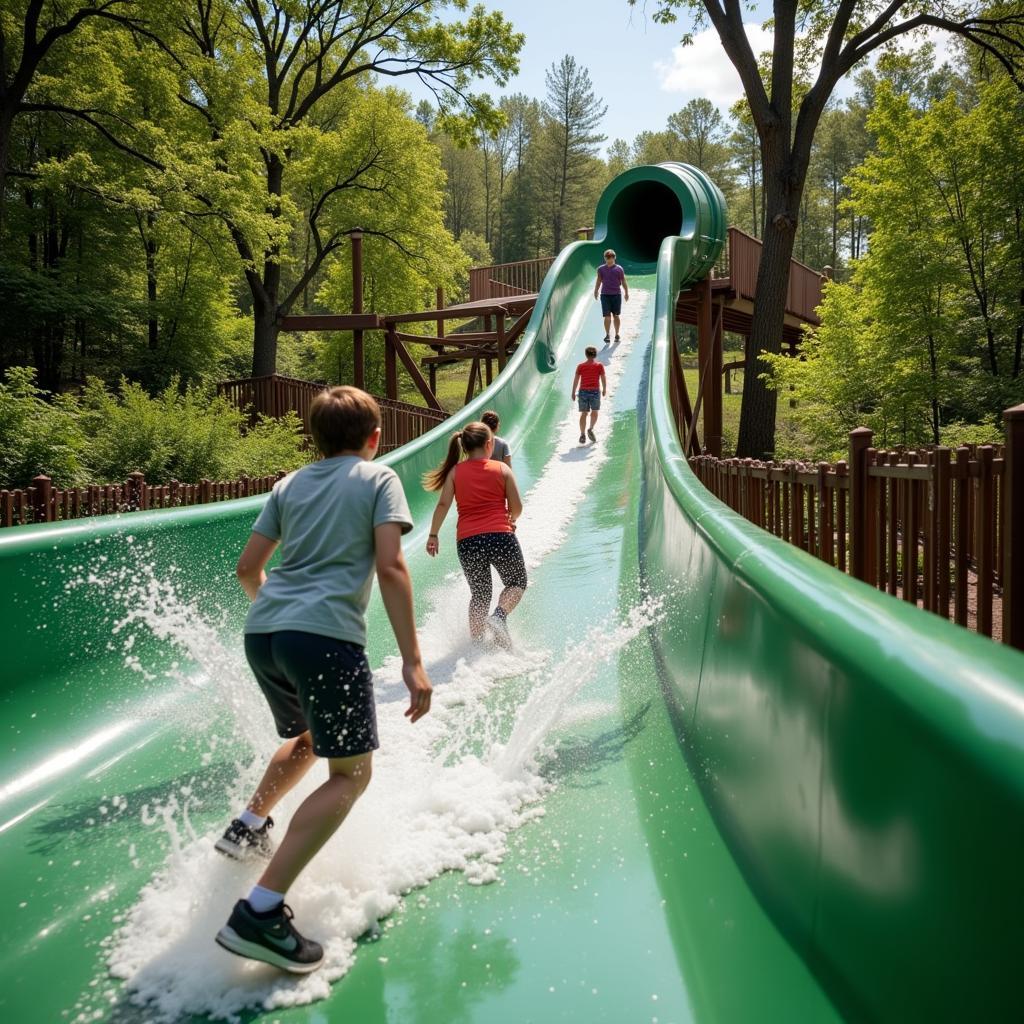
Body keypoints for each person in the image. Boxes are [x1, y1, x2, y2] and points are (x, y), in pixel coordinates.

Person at [214, 386, 432, 974]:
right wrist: (412, 660)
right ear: (374, 438)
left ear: (313, 438)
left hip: (263, 633)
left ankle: (249, 825)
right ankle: (260, 910)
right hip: (323, 640)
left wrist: (282, 616)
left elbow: (247, 569)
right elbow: (390, 564)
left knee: (311, 735)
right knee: (351, 773)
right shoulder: (378, 478)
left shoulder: (289, 485)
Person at [423, 422, 526, 649]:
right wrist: (512, 519)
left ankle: (476, 645)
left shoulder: (455, 472)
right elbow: (517, 507)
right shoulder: (502, 470)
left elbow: (442, 505)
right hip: (500, 536)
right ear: (489, 444)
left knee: (480, 594)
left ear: (465, 446)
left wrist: (433, 535)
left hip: (468, 542)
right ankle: (499, 616)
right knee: (517, 582)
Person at [571, 346, 607, 444]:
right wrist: (604, 389)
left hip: (583, 392)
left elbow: (576, 380)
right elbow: (603, 378)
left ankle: (582, 434)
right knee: (594, 411)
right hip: (595, 392)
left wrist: (573, 392)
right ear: (595, 355)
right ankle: (590, 428)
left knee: (584, 413)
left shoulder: (580, 366)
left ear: (586, 355)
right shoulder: (599, 366)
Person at [593, 248, 629, 343]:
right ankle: (607, 335)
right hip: (605, 295)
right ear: (605, 258)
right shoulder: (601, 269)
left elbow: (623, 281)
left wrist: (626, 292)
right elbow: (599, 280)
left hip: (616, 295)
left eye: (611, 256)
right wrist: (596, 290)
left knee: (616, 315)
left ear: (614, 257)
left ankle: (617, 334)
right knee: (607, 316)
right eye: (608, 257)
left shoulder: (619, 269)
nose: (610, 258)